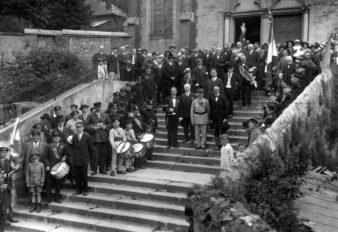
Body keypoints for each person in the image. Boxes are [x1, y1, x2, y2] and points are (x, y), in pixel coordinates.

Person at [86, 102, 111, 175]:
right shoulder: (91, 116)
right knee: (95, 155)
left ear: (101, 107)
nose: (98, 108)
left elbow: (110, 124)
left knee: (103, 155)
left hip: (104, 138)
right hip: (95, 138)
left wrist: (105, 126)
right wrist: (93, 128)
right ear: (95, 108)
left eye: (99, 107)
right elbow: (86, 125)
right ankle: (94, 170)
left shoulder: (105, 115)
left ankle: (102, 169)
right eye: (97, 107)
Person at [71, 122, 94, 196]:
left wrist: (89, 160)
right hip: (77, 159)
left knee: (84, 175)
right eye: (77, 127)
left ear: (83, 127)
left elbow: (91, 149)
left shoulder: (87, 136)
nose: (78, 128)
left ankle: (85, 190)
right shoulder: (74, 136)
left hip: (84, 159)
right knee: (77, 175)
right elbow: (73, 147)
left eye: (80, 127)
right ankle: (78, 189)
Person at [45, 131, 67, 204]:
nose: (56, 138)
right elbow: (45, 157)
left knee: (58, 184)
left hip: (59, 168)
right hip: (51, 168)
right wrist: (47, 165)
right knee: (49, 184)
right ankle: (48, 198)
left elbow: (67, 155)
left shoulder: (63, 145)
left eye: (57, 137)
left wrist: (65, 157)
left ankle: (57, 197)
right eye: (54, 137)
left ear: (60, 138)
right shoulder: (49, 146)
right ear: (52, 138)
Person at [0, 147, 19, 223]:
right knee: (2, 203)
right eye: (2, 153)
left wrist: (16, 168)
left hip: (8, 185)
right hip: (1, 186)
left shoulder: (7, 161)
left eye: (5, 153)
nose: (4, 154)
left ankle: (9, 217)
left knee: (8, 201)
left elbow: (11, 170)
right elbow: (4, 174)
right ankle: (3, 220)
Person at [209, 85, 229, 149]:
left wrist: (226, 118)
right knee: (216, 133)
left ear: (219, 90)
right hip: (214, 119)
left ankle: (224, 145)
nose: (216, 91)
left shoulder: (223, 98)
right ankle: (218, 146)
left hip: (222, 118)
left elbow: (226, 108)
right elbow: (210, 109)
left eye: (217, 90)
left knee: (223, 133)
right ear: (213, 91)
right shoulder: (211, 98)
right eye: (215, 90)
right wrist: (210, 118)